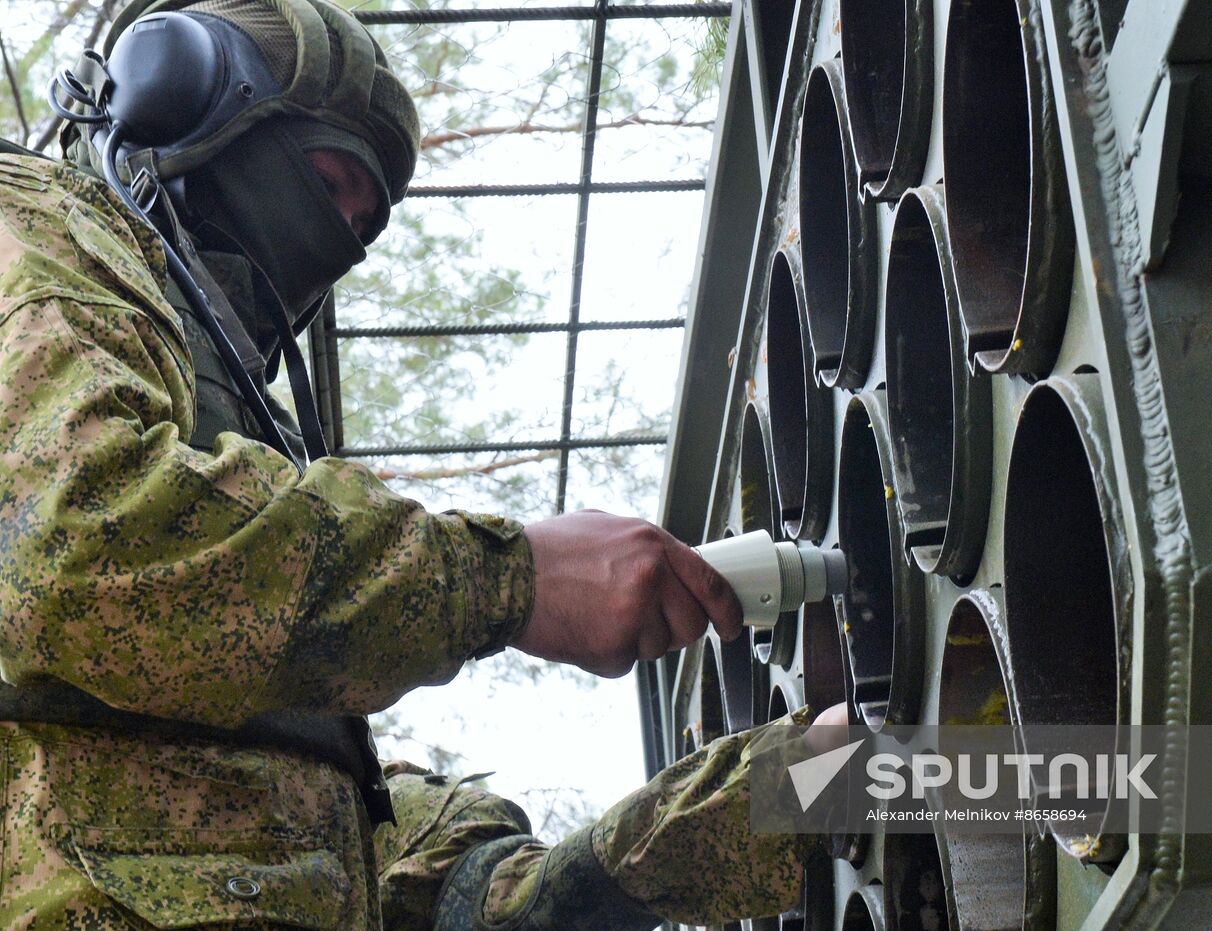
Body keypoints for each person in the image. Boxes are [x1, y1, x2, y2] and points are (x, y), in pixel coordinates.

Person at [0, 0, 832, 928]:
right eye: (327, 179)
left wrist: (812, 783)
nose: (342, 233)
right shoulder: (35, 227)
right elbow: (83, 550)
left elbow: (469, 894)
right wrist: (508, 577)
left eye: (365, 223)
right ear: (176, 94)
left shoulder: (247, 705)